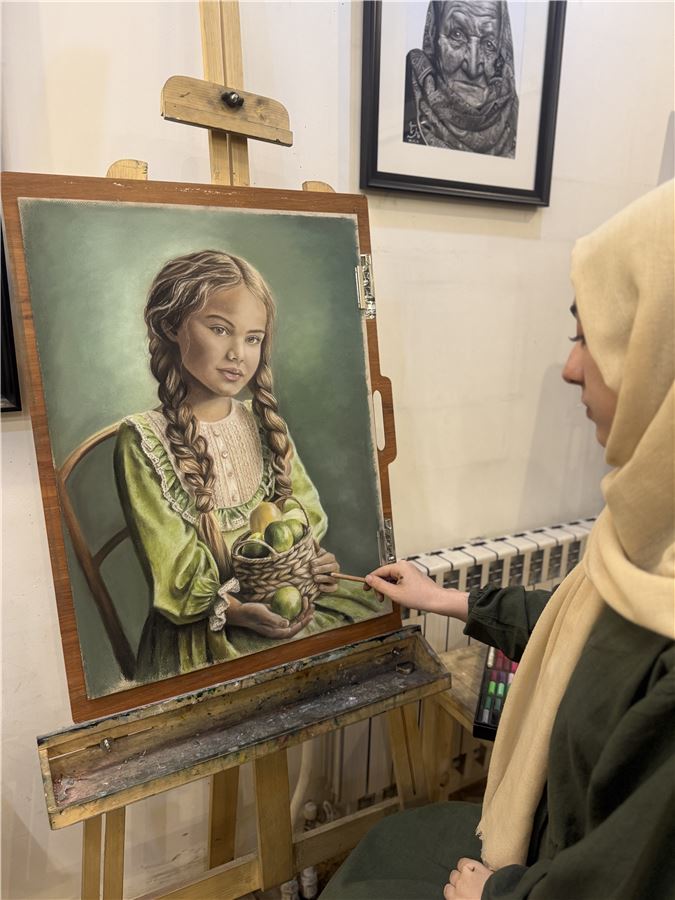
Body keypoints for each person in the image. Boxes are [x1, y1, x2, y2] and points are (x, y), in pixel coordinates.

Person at [320, 182, 675, 900]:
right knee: (381, 847)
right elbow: (581, 631)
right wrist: (447, 599)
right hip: (539, 841)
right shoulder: (647, 531)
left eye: (594, 338)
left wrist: (496, 893)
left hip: (542, 876)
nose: (570, 367)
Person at [114, 250, 382, 684]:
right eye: (220, 329)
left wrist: (310, 563)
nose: (238, 354)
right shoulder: (142, 440)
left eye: (253, 338)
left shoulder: (262, 422)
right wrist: (235, 610)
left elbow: (302, 515)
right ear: (171, 325)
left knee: (372, 623)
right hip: (208, 630)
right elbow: (177, 575)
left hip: (287, 600)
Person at [403, 1, 519, 157]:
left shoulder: (514, 116)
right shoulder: (403, 95)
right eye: (457, 35)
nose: (472, 69)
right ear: (434, 34)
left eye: (489, 44)